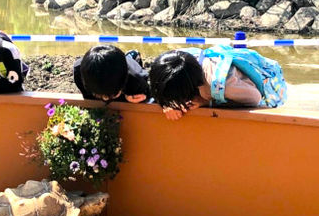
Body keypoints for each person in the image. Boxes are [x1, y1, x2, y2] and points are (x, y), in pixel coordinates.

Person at [149, 46, 285, 121]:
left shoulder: (224, 86)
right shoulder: (181, 58)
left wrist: (206, 103)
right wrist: (167, 104)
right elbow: (162, 84)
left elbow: (255, 98)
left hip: (264, 87)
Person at [73, 45, 151, 104]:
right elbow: (89, 98)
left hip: (129, 66)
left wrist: (131, 97)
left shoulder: (137, 79)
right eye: (98, 95)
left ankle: (132, 56)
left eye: (113, 95)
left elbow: (151, 94)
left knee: (131, 61)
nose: (105, 99)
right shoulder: (79, 72)